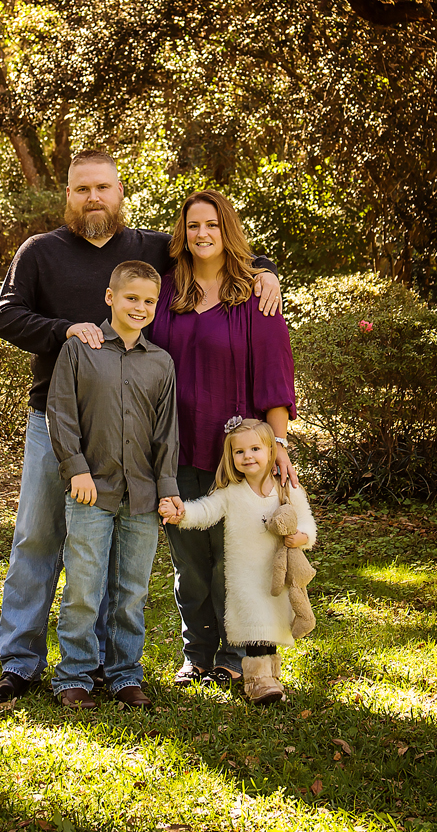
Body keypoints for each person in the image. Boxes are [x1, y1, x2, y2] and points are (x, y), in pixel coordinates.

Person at [0, 152, 283, 702]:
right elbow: (5, 315)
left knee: (109, 547)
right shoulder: (41, 252)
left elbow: (215, 245)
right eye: (81, 189)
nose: (92, 198)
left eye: (103, 188)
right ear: (67, 195)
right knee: (39, 538)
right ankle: (21, 663)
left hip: (130, 432)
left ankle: (102, 664)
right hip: (56, 421)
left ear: (121, 193)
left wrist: (267, 273)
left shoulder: (149, 249)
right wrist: (66, 330)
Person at [152, 189, 297, 689]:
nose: (202, 234)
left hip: (239, 456)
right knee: (190, 565)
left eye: (211, 224)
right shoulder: (165, 293)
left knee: (235, 559)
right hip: (177, 447)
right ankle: (196, 655)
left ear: (226, 229)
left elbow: (275, 376)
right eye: (193, 225)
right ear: (182, 233)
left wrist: (278, 446)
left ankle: (235, 657)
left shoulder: (256, 294)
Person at [45, 260, 180, 710]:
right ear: (110, 298)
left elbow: (166, 431)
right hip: (91, 489)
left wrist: (167, 487)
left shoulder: (161, 363)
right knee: (84, 587)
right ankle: (75, 675)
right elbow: (60, 411)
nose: (140, 307)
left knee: (132, 592)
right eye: (131, 298)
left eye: (148, 301)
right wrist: (75, 467)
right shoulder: (81, 350)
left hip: (141, 494)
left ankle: (124, 674)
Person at [160, 417, 316, 705]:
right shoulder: (231, 493)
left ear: (271, 450)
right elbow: (205, 511)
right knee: (255, 628)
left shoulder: (286, 490)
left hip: (275, 575)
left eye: (255, 449)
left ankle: (271, 676)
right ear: (230, 457)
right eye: (239, 452)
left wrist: (301, 537)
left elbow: (307, 521)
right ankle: (259, 683)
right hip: (243, 578)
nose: (248, 457)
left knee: (270, 628)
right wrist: (180, 514)